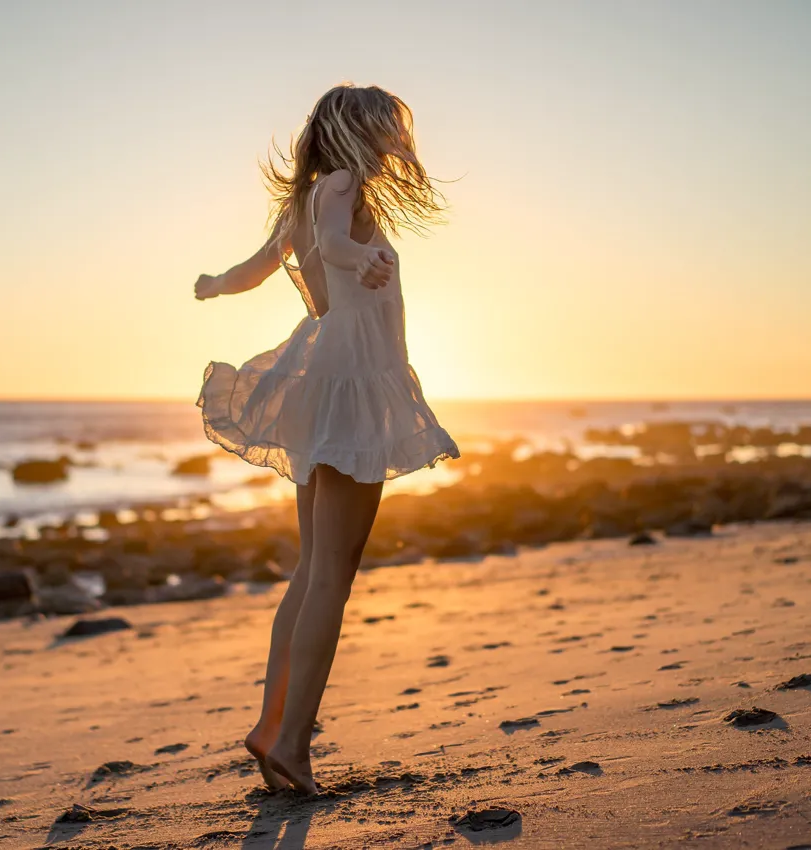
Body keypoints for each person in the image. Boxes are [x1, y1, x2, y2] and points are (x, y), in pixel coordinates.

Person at [192, 83, 460, 794]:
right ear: (354, 133)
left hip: (320, 382)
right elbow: (340, 244)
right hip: (350, 383)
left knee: (312, 572)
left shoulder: (301, 202)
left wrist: (212, 284)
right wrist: (358, 262)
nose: (390, 145)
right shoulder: (340, 188)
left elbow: (250, 272)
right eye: (384, 130)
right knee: (332, 577)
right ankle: (292, 746)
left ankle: (271, 725)